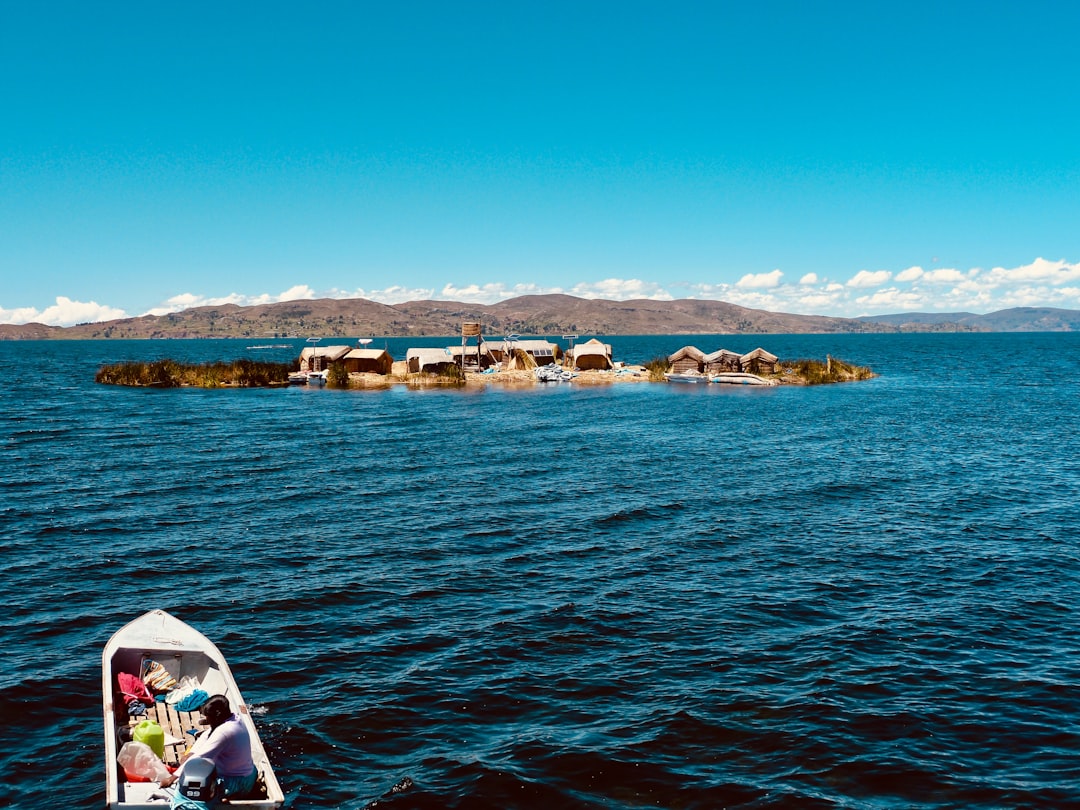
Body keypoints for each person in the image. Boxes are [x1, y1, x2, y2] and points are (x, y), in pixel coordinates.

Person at [161, 695, 258, 798]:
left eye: (208, 717)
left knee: (191, 788)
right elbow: (206, 735)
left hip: (237, 782)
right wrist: (191, 753)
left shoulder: (224, 732)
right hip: (249, 773)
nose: (206, 720)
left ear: (217, 716)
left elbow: (201, 757)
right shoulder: (234, 719)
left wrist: (172, 778)